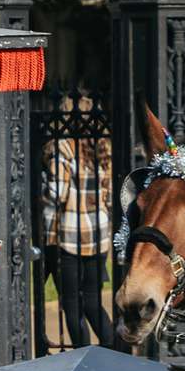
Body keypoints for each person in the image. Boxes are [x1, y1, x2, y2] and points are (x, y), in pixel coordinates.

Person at [41, 134, 114, 349]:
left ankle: (83, 361)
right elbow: (109, 198)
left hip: (70, 233)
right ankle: (113, 352)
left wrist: (38, 189)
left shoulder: (63, 148)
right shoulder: (102, 147)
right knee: (93, 300)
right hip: (98, 233)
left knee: (72, 304)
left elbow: (58, 193)